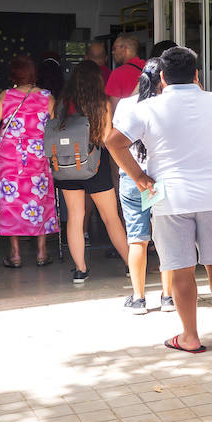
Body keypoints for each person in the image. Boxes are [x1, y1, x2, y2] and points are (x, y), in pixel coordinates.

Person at [107, 46, 212, 351]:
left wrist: (140, 178)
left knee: (181, 270)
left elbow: (113, 142)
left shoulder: (149, 108)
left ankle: (190, 337)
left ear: (163, 78)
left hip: (169, 199)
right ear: (197, 74)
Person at [53, 61, 129, 285]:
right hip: (95, 165)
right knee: (110, 217)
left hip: (67, 167)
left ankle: (80, 270)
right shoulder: (101, 103)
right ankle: (129, 264)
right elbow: (106, 139)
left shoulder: (62, 103)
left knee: (75, 218)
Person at [111, 58, 176, 314]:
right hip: (160, 176)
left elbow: (117, 142)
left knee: (137, 238)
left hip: (133, 176)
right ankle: (168, 297)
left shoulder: (126, 105)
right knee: (165, 236)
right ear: (163, 79)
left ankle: (138, 299)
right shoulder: (167, 106)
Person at [0, 55, 59, 267]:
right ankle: (42, 253)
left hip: (9, 158)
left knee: (11, 201)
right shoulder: (47, 97)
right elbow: (53, 129)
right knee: (41, 200)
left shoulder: (6, 96)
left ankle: (15, 254)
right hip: (38, 156)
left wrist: (11, 141)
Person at [105, 34, 146, 99]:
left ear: (124, 48)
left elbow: (113, 107)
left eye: (114, 48)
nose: (112, 52)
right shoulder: (150, 68)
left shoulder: (118, 74)